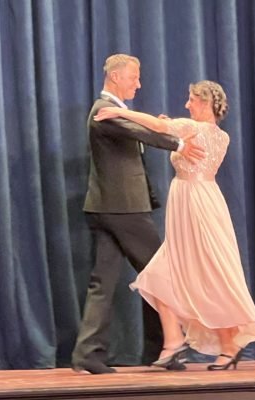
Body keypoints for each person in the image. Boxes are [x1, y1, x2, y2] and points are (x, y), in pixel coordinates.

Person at [94, 80, 255, 371]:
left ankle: (226, 345)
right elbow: (167, 129)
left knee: (209, 271)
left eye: (191, 100)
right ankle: (174, 342)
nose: (187, 105)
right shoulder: (220, 135)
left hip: (195, 205)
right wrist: (169, 126)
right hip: (203, 199)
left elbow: (159, 127)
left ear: (204, 102)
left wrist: (120, 112)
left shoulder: (192, 128)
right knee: (163, 274)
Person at [71, 54, 205, 375]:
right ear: (116, 77)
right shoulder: (104, 110)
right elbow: (140, 133)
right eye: (134, 77)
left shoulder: (114, 111)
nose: (139, 83)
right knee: (161, 272)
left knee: (103, 283)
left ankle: (88, 354)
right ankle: (170, 346)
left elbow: (136, 129)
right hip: (124, 209)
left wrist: (163, 127)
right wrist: (179, 144)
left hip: (108, 208)